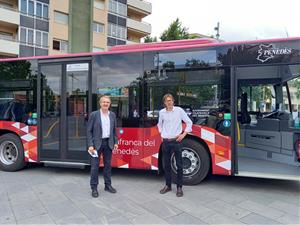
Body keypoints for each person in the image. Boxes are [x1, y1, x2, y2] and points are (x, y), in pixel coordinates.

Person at [157, 93, 192, 197]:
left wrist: (183, 134)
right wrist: (161, 135)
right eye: (167, 101)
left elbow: (189, 122)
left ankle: (179, 187)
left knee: (179, 165)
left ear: (173, 101)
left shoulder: (179, 111)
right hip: (166, 142)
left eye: (171, 100)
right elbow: (159, 124)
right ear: (164, 103)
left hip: (177, 141)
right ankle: (168, 186)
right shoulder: (162, 112)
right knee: (166, 165)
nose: (169, 102)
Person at [87, 95, 118, 198]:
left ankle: (107, 185)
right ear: (100, 103)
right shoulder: (94, 115)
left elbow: (114, 131)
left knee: (108, 166)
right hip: (96, 145)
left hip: (108, 144)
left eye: (107, 102)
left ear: (109, 104)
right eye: (103, 102)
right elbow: (89, 131)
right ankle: (94, 188)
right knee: (95, 167)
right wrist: (91, 145)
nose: (105, 104)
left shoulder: (112, 115)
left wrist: (115, 142)